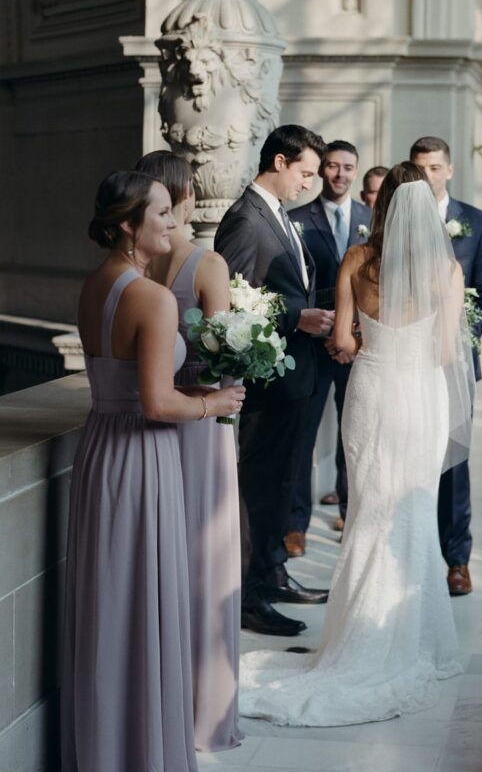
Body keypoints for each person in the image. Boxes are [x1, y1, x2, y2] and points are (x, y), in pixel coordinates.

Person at [235, 163, 475, 726]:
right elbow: (445, 353)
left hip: (371, 390)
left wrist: (364, 341)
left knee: (365, 510)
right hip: (421, 398)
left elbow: (341, 339)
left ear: (383, 206)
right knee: (412, 511)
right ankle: (411, 639)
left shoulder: (357, 260)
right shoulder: (446, 269)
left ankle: (353, 641)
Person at [61, 171, 244, 772]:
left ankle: (104, 746)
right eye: (162, 214)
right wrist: (213, 404)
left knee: (109, 600)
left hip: (100, 450)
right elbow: (160, 403)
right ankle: (140, 751)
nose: (173, 222)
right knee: (142, 600)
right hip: (143, 453)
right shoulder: (154, 298)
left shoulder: (97, 283)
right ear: (127, 226)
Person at [134, 150, 243, 752]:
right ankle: (203, 711)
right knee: (207, 558)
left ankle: (160, 696)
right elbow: (225, 352)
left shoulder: (137, 265)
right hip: (199, 421)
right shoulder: (208, 263)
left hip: (148, 424)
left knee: (164, 560)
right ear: (182, 195)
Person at [214, 125, 331, 637]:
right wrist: (298, 317)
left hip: (294, 378)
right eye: (305, 172)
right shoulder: (245, 219)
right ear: (279, 162)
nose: (310, 184)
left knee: (282, 483)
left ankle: (273, 571)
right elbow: (232, 304)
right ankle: (249, 594)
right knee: (258, 490)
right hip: (265, 383)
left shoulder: (279, 214)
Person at [410, 135, 482, 595]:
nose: (427, 177)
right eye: (419, 168)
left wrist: (457, 342)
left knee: (453, 461)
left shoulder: (477, 222)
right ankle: (411, 554)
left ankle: (457, 560)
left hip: (454, 363)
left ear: (449, 170)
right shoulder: (394, 222)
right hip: (404, 363)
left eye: (435, 168)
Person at [285, 140, 372, 554]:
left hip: (361, 348)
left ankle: (350, 509)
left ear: (357, 171)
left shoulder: (372, 220)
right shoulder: (297, 219)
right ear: (322, 171)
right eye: (333, 166)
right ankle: (295, 524)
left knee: (353, 432)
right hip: (312, 345)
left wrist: (354, 333)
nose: (340, 174)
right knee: (303, 437)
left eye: (348, 167)